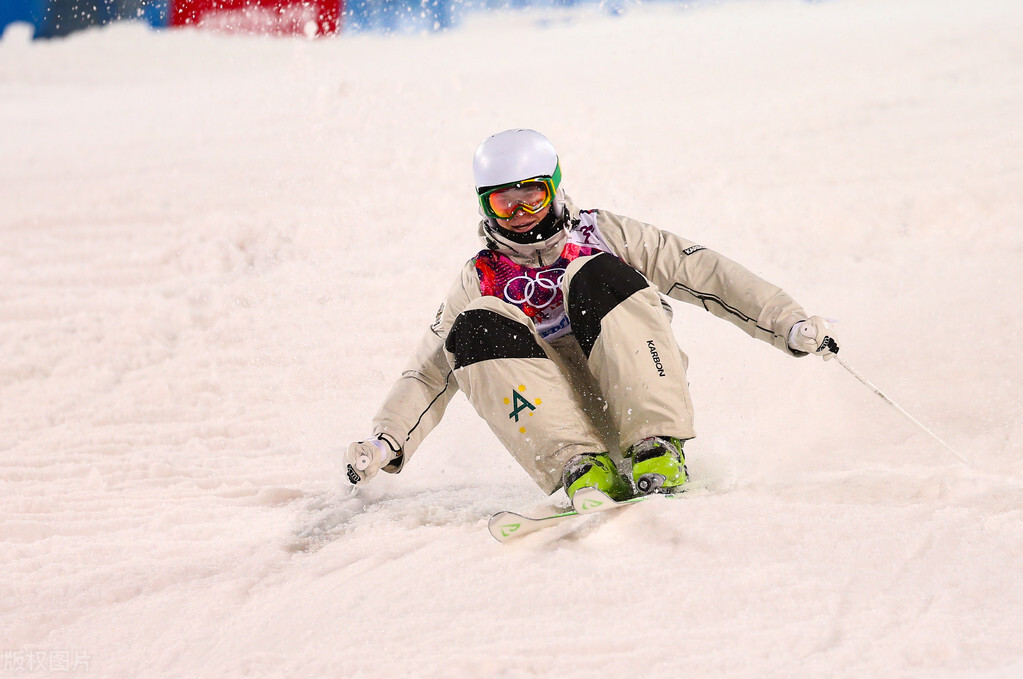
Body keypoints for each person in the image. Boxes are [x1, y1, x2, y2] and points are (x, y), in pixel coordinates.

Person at [345, 129, 839, 501]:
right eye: (503, 202)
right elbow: (428, 370)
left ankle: (658, 448)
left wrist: (788, 322)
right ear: (485, 206)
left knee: (597, 275)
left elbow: (704, 270)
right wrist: (386, 439)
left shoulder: (604, 234)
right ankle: (582, 468)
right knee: (472, 327)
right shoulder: (481, 275)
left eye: (531, 195)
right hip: (561, 412)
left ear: (554, 186)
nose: (520, 213)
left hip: (639, 385)